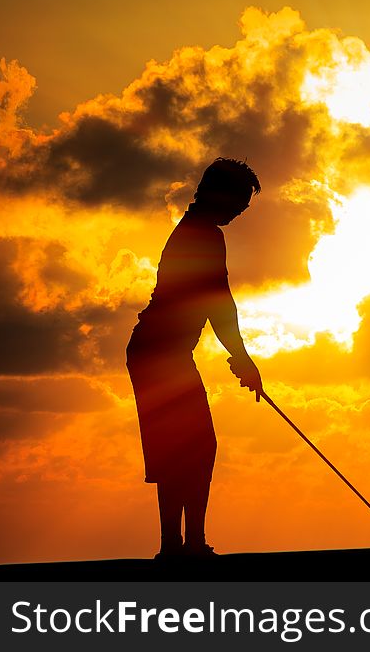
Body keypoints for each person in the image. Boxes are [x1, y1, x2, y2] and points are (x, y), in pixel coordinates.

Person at [126, 157, 263, 559]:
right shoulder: (201, 235)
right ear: (216, 193)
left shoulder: (199, 232)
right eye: (239, 201)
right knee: (192, 448)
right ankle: (183, 546)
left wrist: (239, 357)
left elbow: (214, 303)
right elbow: (219, 302)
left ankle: (182, 545)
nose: (241, 211)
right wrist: (242, 358)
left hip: (161, 352)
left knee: (190, 447)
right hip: (158, 352)